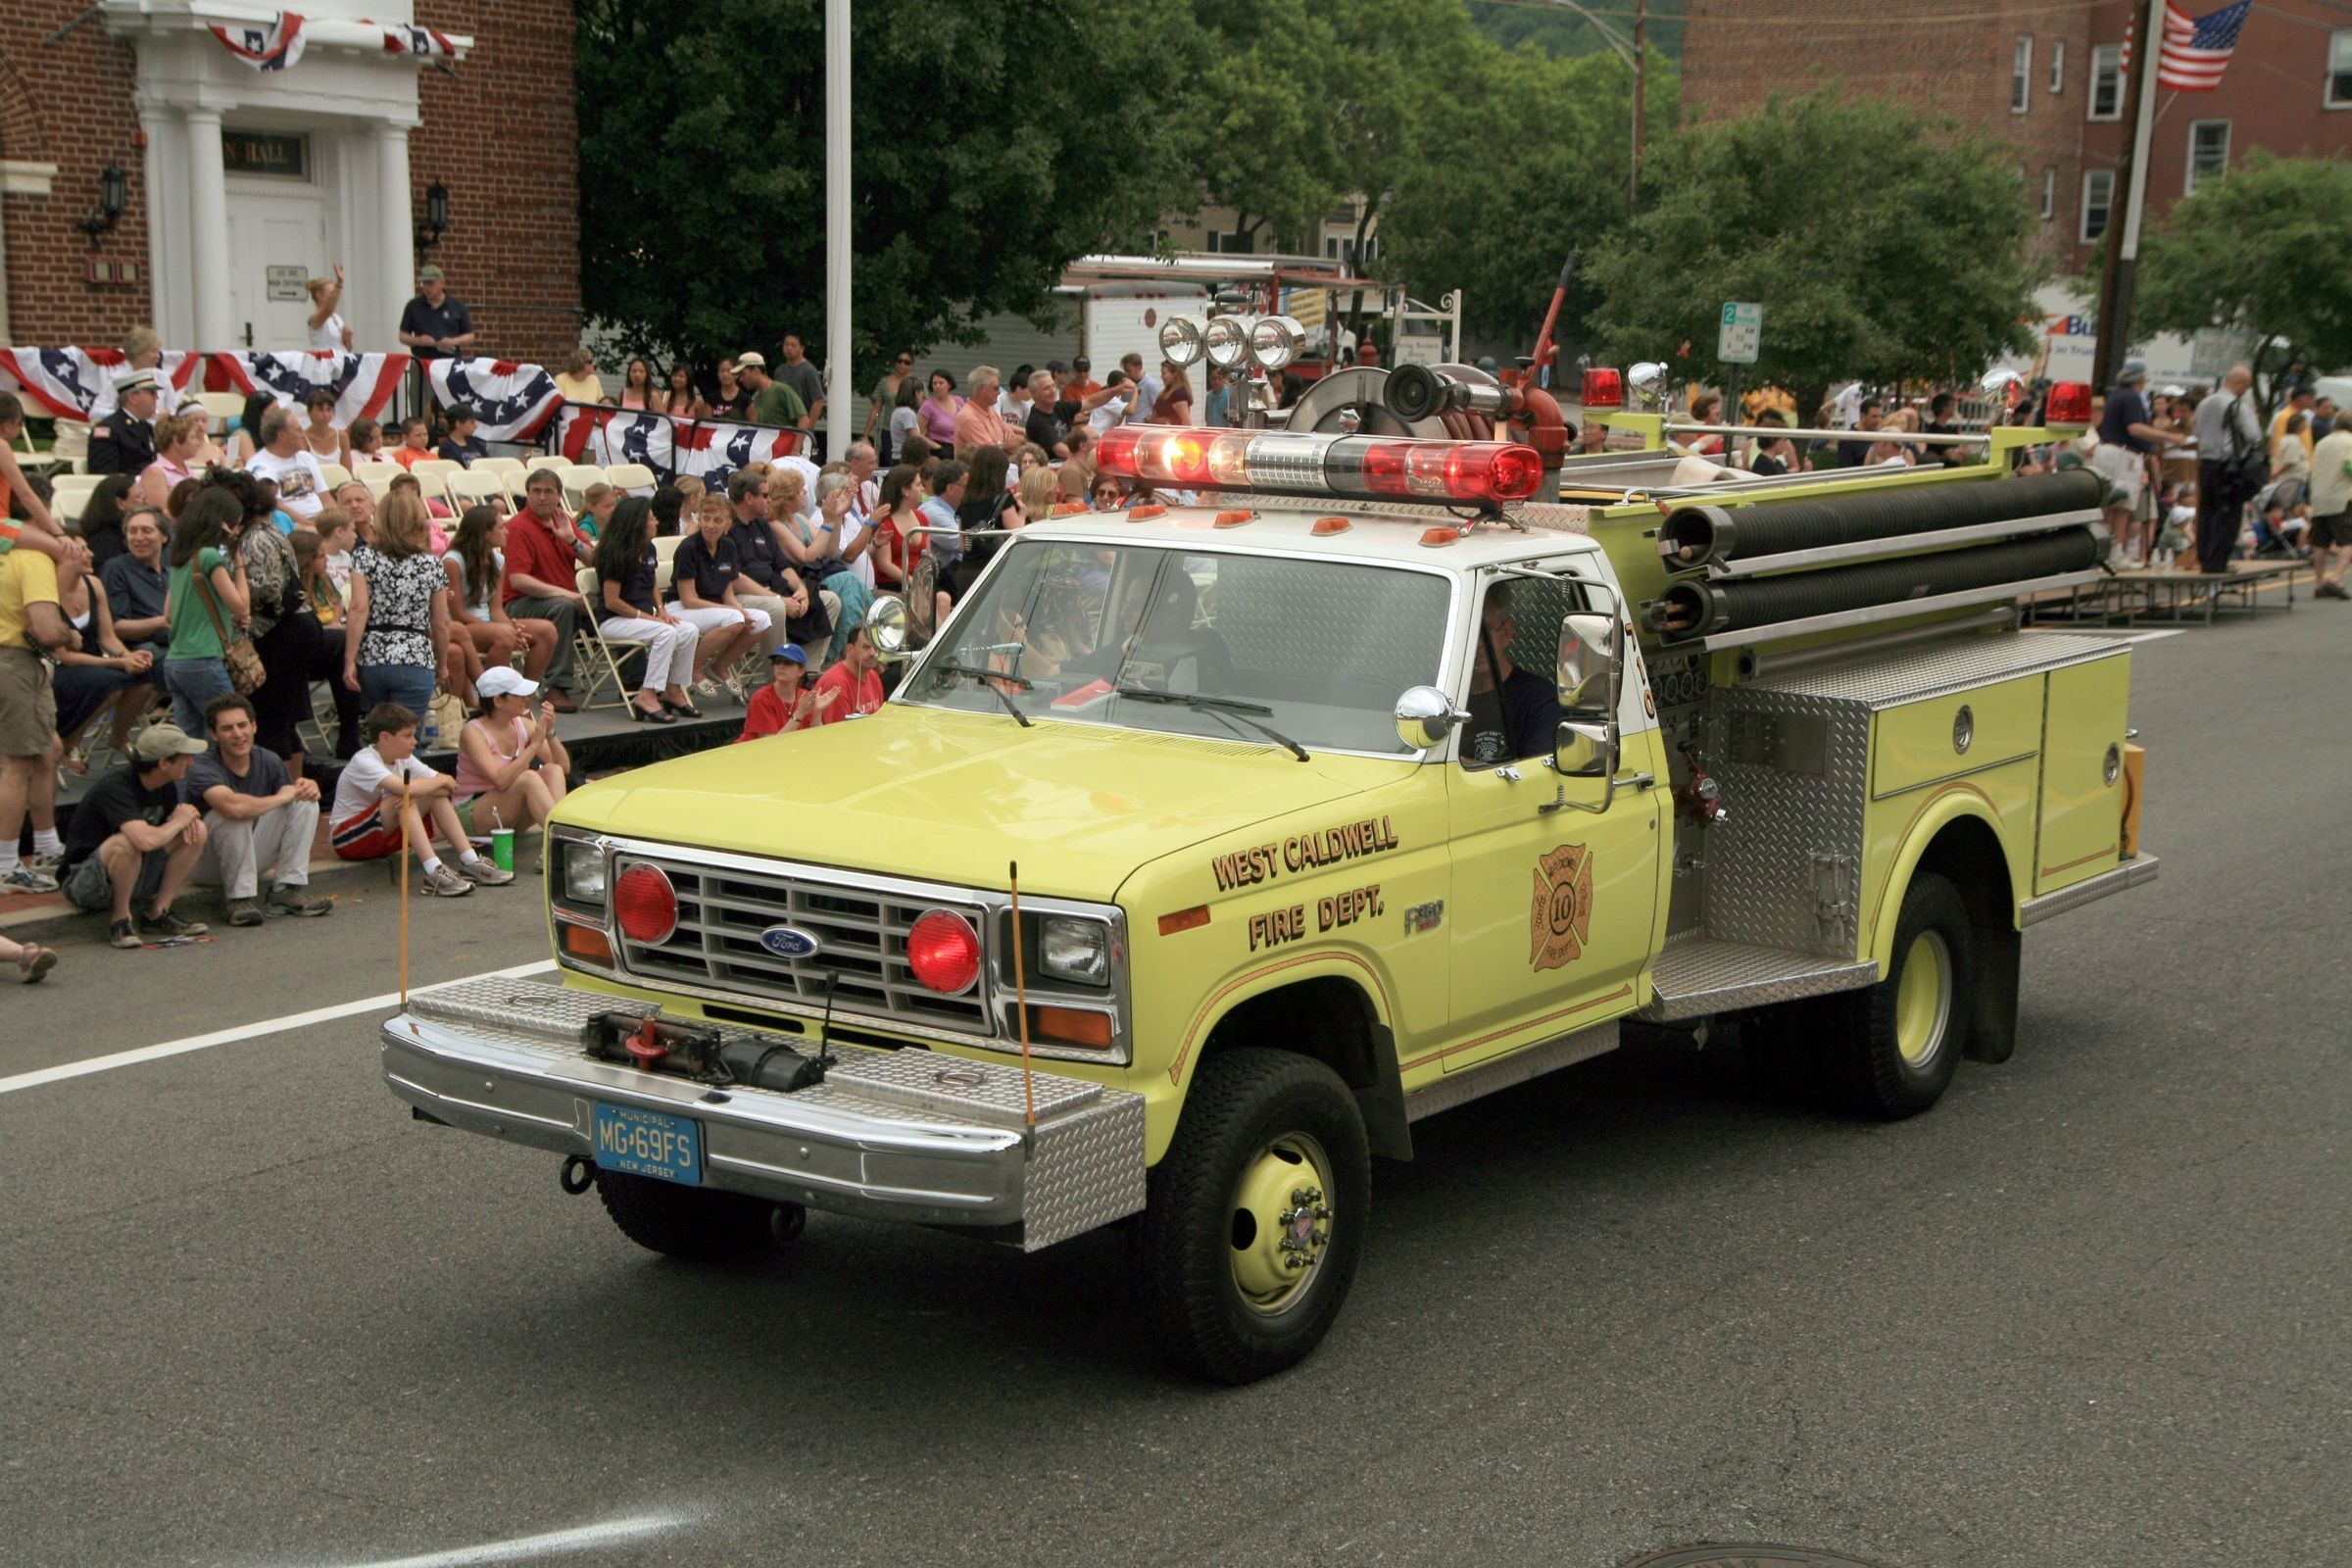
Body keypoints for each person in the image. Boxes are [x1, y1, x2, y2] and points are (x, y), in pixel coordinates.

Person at [57, 722, 213, 948]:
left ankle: (158, 912)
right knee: (126, 843)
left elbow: (166, 832)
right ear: (164, 763)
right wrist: (179, 821)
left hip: (133, 873)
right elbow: (144, 840)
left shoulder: (165, 785)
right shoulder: (116, 787)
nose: (191, 762)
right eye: (185, 757)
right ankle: (120, 920)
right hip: (86, 883)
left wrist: (184, 822)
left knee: (196, 830)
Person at [329, 702, 508, 894]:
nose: (414, 742)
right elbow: (407, 788)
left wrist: (429, 786)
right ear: (385, 738)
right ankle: (432, 871)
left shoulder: (404, 758)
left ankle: (470, 860)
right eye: (407, 736)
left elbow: (449, 786)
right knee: (403, 798)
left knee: (431, 795)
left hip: (380, 833)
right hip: (347, 838)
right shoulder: (364, 760)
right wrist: (429, 785)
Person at [186, 692, 330, 926]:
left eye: (243, 725)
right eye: (227, 728)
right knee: (233, 815)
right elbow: (232, 807)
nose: (238, 734)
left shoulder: (269, 759)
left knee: (304, 803)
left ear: (254, 726)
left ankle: (286, 890)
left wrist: (306, 788)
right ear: (213, 734)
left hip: (249, 856)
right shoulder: (202, 766)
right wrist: (281, 797)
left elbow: (291, 795)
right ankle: (238, 900)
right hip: (205, 865)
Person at [0, 530, 75, 894]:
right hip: (14, 662)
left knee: (49, 749)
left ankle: (46, 846)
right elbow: (45, 630)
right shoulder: (33, 560)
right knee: (17, 763)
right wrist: (70, 635)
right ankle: (5, 866)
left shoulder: (11, 555)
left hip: (14, 662)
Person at [51, 534, 155, 772]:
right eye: (82, 550)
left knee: (144, 679)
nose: (91, 554)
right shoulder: (50, 591)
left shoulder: (94, 584)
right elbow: (64, 657)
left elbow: (107, 637)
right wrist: (118, 663)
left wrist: (128, 656)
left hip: (94, 661)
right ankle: (71, 741)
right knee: (111, 685)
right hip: (62, 667)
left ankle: (118, 736)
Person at [593, 495, 702, 722]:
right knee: (666, 633)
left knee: (688, 630)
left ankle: (673, 689)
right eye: (651, 519)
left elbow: (651, 582)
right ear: (637, 524)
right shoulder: (615, 552)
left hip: (641, 617)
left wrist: (661, 610)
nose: (656, 523)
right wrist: (649, 618)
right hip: (614, 620)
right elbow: (612, 601)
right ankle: (647, 694)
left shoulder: (648, 548)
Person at [345, 488, 451, 713]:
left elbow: (358, 609)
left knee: (380, 728)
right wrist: (442, 664)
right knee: (407, 730)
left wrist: (349, 660)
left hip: (373, 657)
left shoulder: (363, 557)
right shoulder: (431, 564)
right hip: (415, 656)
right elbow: (440, 623)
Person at [161, 486, 251, 733]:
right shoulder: (209, 556)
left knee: (192, 739)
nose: (237, 531)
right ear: (223, 523)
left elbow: (168, 615)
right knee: (233, 729)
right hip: (204, 658)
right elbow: (241, 607)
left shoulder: (181, 557)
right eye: (236, 524)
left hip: (176, 660)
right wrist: (239, 562)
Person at [722, 469, 829, 668]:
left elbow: (783, 566)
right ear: (749, 498)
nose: (770, 500)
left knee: (829, 600)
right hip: (742, 594)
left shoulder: (762, 525)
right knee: (776, 608)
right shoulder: (726, 528)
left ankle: (806, 670)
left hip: (774, 587)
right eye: (765, 495)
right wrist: (779, 599)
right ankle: (775, 675)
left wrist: (801, 590)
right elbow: (735, 579)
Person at [668, 493, 772, 698]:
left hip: (714, 607)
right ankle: (693, 669)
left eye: (717, 520)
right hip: (681, 607)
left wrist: (740, 610)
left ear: (727, 524)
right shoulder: (688, 548)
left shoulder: (728, 547)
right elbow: (689, 599)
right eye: (706, 519)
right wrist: (734, 611)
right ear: (699, 519)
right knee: (734, 618)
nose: (710, 525)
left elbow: (728, 593)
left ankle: (719, 666)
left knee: (762, 620)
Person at [500, 470, 588, 710]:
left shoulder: (564, 521)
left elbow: (594, 561)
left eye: (548, 491)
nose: (542, 497)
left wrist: (572, 540)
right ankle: (555, 687)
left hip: (563, 597)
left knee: (612, 600)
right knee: (564, 607)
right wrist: (566, 594)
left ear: (559, 496)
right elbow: (518, 581)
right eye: (536, 491)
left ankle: (637, 681)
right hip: (521, 603)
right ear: (527, 494)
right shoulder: (518, 528)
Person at [445, 504, 558, 688]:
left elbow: (496, 609)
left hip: (488, 623)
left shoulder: (498, 560)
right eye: (501, 527)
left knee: (547, 631)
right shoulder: (453, 561)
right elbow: (458, 614)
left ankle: (524, 695)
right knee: (504, 635)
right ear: (486, 533)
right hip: (461, 627)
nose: (507, 531)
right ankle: (493, 696)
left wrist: (513, 630)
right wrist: (503, 630)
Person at [453, 665, 570, 839]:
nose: (526, 700)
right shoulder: (473, 732)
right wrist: (534, 747)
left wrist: (549, 732)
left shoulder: (521, 724)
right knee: (529, 779)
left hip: (508, 810)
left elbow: (564, 767)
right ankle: (561, 839)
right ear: (498, 701)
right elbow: (500, 781)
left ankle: (560, 833)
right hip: (472, 811)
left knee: (553, 770)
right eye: (519, 695)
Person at [2092, 363, 2187, 565]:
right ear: (2140, 380)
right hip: (2123, 454)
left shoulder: (2116, 395)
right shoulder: (2131, 398)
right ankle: (2115, 553)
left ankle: (2103, 551)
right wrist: (2168, 437)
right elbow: (2135, 428)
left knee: (2109, 505)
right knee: (2122, 505)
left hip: (2108, 451)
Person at [1460, 582, 1563, 767]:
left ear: (1507, 633)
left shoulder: (1540, 701)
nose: (1477, 643)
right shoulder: (1438, 698)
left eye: (1485, 631)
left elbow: (1536, 774)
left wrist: (1465, 766)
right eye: (1468, 632)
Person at [777, 468, 873, 642]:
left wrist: (837, 516)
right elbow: (808, 556)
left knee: (851, 583)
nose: (805, 492)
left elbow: (830, 551)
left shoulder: (800, 518)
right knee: (848, 581)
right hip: (801, 581)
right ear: (787, 496)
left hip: (818, 578)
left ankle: (865, 642)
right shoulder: (777, 524)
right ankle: (852, 645)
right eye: (800, 489)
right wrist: (829, 521)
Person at [2193, 367, 2264, 575]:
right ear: (2240, 384)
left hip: (2206, 463)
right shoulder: (2237, 405)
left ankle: (2204, 557)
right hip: (2228, 466)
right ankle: (2218, 562)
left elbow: (2196, 431)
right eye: (2246, 386)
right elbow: (2254, 436)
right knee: (2227, 514)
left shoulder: (2205, 403)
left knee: (2206, 512)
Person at [102, 506, 172, 667]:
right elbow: (115, 627)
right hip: (140, 649)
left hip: (175, 643)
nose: (139, 538)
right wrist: (164, 621)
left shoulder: (171, 572)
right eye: (132, 531)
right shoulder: (116, 569)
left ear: (164, 536)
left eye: (147, 531)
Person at [0, 392, 68, 548]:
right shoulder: (1, 446)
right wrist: (59, 533)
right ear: (9, 425)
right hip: (2, 526)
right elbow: (26, 494)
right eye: (20, 425)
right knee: (66, 551)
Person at [244, 406, 330, 524]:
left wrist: (335, 521)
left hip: (321, 521)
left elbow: (325, 497)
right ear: (282, 435)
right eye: (298, 430)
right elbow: (277, 507)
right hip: (292, 525)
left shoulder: (306, 457)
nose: (303, 434)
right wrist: (312, 526)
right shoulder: (259, 465)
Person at [736, 645, 838, 740]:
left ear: (801, 671)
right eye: (777, 662)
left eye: (788, 663)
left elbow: (817, 738)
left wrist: (817, 712)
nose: (781, 666)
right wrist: (799, 714)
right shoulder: (761, 698)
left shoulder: (805, 697)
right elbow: (769, 744)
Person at [2305, 415, 2352, 600]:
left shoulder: (2322, 443)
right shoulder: (2349, 441)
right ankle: (2336, 579)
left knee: (2320, 544)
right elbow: (2348, 467)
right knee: (2348, 541)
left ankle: (2319, 583)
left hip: (2319, 498)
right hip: (2341, 498)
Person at [87, 370, 162, 477]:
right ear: (133, 398)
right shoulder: (106, 429)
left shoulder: (146, 427)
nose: (156, 398)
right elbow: (104, 475)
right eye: (151, 393)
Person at [809, 622, 884, 724]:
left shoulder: (873, 676)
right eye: (866, 647)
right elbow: (838, 731)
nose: (873, 653)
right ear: (849, 649)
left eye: (876, 647)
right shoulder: (837, 684)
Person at [398, 264, 475, 361]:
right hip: (422, 361)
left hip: (449, 361)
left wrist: (453, 341)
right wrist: (419, 340)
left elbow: (470, 336)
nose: (426, 287)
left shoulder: (457, 306)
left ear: (442, 283)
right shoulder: (413, 306)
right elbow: (403, 336)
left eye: (430, 283)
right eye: (423, 283)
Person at [137, 412, 208, 517]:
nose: (197, 443)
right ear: (176, 441)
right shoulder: (156, 472)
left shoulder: (190, 471)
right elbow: (161, 514)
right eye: (193, 438)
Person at [866, 350, 916, 461]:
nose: (902, 364)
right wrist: (866, 435)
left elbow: (923, 408)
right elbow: (876, 409)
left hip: (911, 430)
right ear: (895, 363)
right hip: (889, 430)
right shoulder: (884, 382)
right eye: (900, 361)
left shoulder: (916, 383)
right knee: (891, 461)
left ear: (911, 365)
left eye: (906, 362)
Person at [954, 367, 1014, 459]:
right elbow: (989, 453)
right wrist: (1005, 444)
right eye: (996, 388)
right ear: (981, 389)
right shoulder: (968, 417)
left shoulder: (990, 410)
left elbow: (1014, 440)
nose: (999, 393)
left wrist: (1001, 445)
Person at [776, 333, 825, 438]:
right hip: (781, 427)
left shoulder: (809, 371)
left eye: (793, 345)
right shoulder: (779, 371)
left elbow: (818, 401)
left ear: (802, 348)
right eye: (786, 344)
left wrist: (808, 429)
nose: (789, 348)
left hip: (801, 427)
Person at [740, 351, 806, 428]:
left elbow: (804, 420)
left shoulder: (782, 390)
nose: (741, 379)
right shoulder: (755, 398)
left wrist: (797, 437)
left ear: (755, 370)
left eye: (743, 374)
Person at [306, 266, 355, 351]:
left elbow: (348, 349)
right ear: (319, 295)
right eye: (332, 293)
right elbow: (328, 310)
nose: (335, 296)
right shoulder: (314, 318)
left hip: (339, 358)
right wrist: (339, 283)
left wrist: (348, 338)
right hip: (324, 358)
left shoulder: (337, 318)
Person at [299, 388, 348, 468]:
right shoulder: (301, 439)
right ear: (309, 412)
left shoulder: (342, 437)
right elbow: (303, 470)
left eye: (329, 410)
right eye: (320, 410)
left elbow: (347, 471)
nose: (325, 414)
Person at [918, 369, 963, 451]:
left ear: (949, 384)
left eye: (941, 383)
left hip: (959, 447)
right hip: (940, 449)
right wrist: (937, 447)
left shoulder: (959, 401)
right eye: (934, 383)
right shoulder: (927, 406)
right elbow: (919, 434)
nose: (937, 386)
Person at [1120, 352, 1161, 426]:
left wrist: (1148, 420)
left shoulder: (1151, 384)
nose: (1126, 374)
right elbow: (1122, 408)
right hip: (1129, 428)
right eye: (1125, 371)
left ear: (1138, 368)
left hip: (1144, 428)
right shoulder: (1127, 385)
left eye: (1129, 371)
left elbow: (1159, 409)